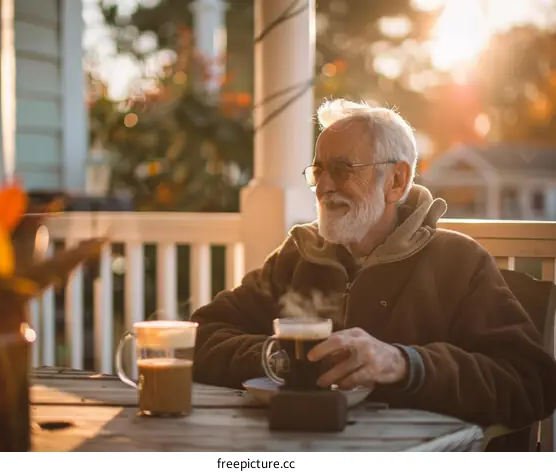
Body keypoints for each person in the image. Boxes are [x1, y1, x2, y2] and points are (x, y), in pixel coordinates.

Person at [189, 98, 556, 431]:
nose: (323, 187)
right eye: (318, 171)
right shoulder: (298, 256)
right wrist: (277, 359)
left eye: (343, 169)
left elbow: (530, 382)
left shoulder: (458, 262)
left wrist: (404, 365)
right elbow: (201, 335)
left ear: (396, 181)